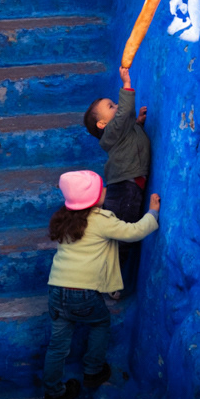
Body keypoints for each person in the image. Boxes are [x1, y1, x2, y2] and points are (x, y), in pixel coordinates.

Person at [43, 169, 160, 399]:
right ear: (93, 198)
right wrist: (153, 212)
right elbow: (133, 232)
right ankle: (93, 371)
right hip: (83, 294)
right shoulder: (101, 219)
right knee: (100, 323)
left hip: (56, 291)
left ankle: (53, 394)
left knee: (57, 346)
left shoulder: (64, 218)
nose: (107, 189)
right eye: (102, 188)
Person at [83, 65, 150, 298]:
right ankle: (110, 282)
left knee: (119, 237)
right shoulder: (111, 133)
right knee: (122, 238)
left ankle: (104, 275)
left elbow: (127, 131)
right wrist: (126, 85)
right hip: (124, 191)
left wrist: (138, 123)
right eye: (111, 107)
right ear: (102, 125)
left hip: (125, 189)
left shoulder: (120, 131)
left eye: (114, 103)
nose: (117, 107)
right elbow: (123, 118)